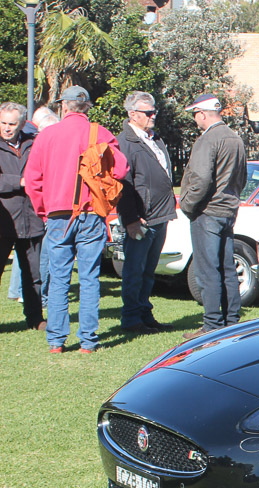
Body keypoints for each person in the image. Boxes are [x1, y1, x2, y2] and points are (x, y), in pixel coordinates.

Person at [25, 86, 127, 354]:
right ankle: (88, 341)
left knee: (58, 278)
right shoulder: (99, 133)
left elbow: (33, 180)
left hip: (57, 215)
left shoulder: (47, 135)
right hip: (91, 212)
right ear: (87, 107)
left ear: (64, 107)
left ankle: (56, 340)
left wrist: (43, 211)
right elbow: (122, 169)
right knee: (90, 277)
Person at [178, 93, 246, 340]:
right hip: (228, 209)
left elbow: (201, 179)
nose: (196, 120)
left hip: (207, 211)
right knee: (227, 268)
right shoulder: (235, 138)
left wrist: (188, 205)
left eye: (195, 115)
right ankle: (232, 321)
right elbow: (242, 178)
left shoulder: (207, 140)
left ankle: (212, 324)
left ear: (202, 114)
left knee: (208, 270)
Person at [116, 91, 176, 333]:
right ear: (133, 114)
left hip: (160, 215)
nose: (153, 116)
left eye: (154, 112)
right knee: (134, 270)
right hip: (141, 218)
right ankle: (131, 319)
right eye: (148, 113)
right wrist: (130, 219)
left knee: (148, 271)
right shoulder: (125, 142)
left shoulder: (155, 139)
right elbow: (122, 183)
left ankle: (144, 313)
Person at [0, 102, 45, 330]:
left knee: (33, 274)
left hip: (31, 218)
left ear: (22, 124)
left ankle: (35, 318)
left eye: (12, 124)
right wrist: (19, 182)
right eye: (3, 123)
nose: (7, 128)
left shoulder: (33, 142)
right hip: (4, 220)